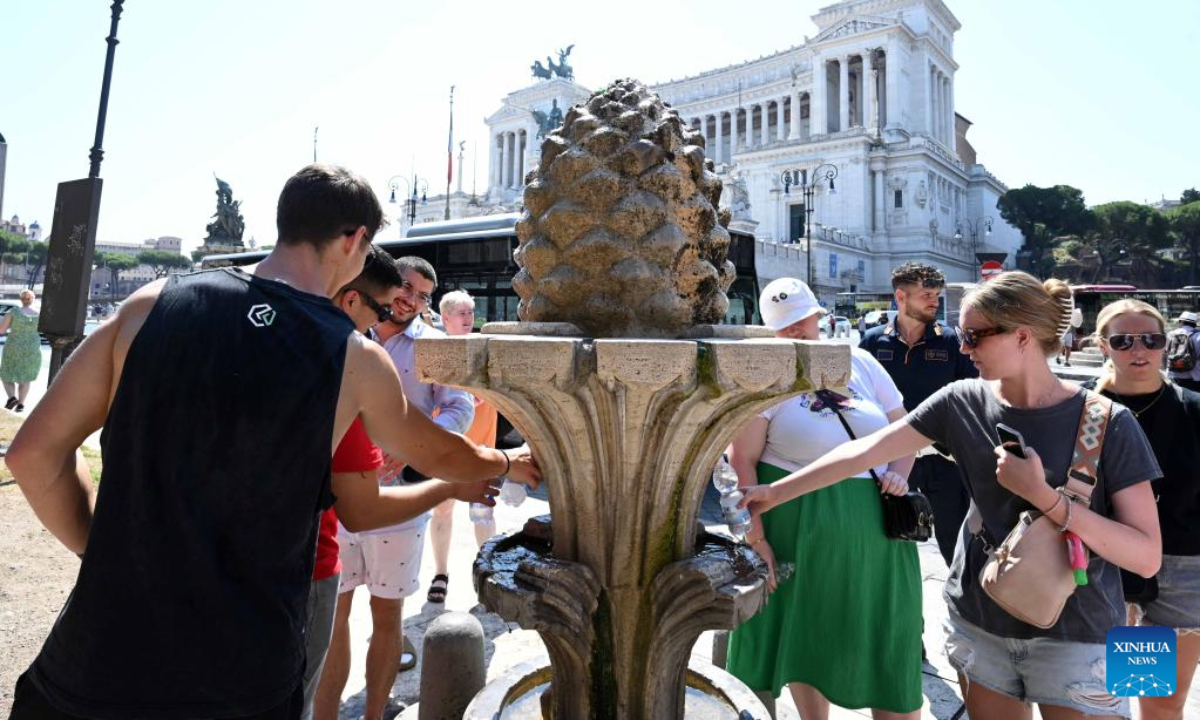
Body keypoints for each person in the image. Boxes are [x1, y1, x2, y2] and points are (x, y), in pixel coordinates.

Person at [5, 164, 539, 720]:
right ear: (355, 241)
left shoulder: (149, 303)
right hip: (240, 672)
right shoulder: (353, 357)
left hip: (91, 662)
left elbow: (34, 452)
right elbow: (439, 453)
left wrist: (101, 546)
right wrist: (507, 461)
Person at [742, 271, 1163, 720]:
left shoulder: (1112, 422)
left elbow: (1147, 557)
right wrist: (770, 494)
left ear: (1022, 336)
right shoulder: (961, 400)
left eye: (975, 336)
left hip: (1088, 631)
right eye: (962, 335)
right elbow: (862, 451)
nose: (963, 349)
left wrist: (1044, 496)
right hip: (981, 623)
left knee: (1164, 707)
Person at [726, 277, 921, 720]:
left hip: (877, 523)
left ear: (818, 316)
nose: (796, 331)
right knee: (803, 632)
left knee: (886, 629)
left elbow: (905, 429)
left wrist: (898, 474)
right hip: (795, 521)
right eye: (786, 325)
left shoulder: (863, 361)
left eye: (802, 320)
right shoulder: (765, 372)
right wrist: (757, 541)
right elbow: (743, 462)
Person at [319, 256, 475, 718]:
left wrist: (411, 444)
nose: (411, 299)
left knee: (387, 617)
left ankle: (373, 713)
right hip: (338, 494)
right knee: (333, 615)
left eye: (423, 295)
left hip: (401, 495)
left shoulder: (435, 345)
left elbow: (460, 407)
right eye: (407, 287)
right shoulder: (345, 328)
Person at [301, 244, 405, 720]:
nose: (386, 320)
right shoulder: (352, 355)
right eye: (382, 309)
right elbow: (360, 508)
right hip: (308, 556)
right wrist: (461, 480)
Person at [1085, 299, 1200, 720]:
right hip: (1101, 570)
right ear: (1102, 345)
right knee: (1097, 698)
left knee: (1160, 703)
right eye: (1124, 340)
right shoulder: (1083, 412)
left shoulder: (1192, 408)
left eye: (1151, 340)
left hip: (1179, 571)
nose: (1139, 350)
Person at [860, 262, 977, 566]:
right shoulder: (873, 342)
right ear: (901, 296)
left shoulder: (952, 342)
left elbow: (973, 395)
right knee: (890, 538)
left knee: (958, 544)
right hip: (892, 461)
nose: (934, 302)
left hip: (944, 461)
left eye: (936, 295)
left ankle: (964, 604)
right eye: (926, 294)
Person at [426, 290, 499, 604]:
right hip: (448, 448)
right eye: (461, 312)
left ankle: (489, 574)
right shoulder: (434, 351)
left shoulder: (485, 348)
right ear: (445, 318)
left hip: (482, 445)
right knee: (441, 511)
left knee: (484, 511)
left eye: (471, 311)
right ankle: (440, 573)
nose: (468, 318)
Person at [1, 289, 43, 412]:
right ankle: (21, 405)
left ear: (21, 299)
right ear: (33, 299)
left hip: (14, 346)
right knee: (26, 376)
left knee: (6, 374)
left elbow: (1, 330)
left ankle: (12, 398)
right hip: (32, 347)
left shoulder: (13, 312)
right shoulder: (39, 314)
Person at [1167, 311, 1200, 392]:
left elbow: (1165, 354)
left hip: (1174, 376)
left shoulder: (1170, 334)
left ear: (1181, 322)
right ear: (1195, 323)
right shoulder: (1198, 335)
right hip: (1195, 377)